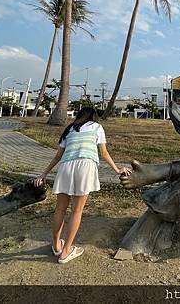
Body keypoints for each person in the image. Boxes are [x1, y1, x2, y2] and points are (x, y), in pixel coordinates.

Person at [34, 107, 131, 263]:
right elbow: (104, 153)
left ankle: (57, 246)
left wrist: (44, 173)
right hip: (85, 166)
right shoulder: (97, 127)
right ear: (93, 117)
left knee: (60, 209)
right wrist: (118, 170)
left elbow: (58, 155)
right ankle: (66, 252)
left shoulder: (69, 129)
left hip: (66, 166)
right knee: (77, 211)